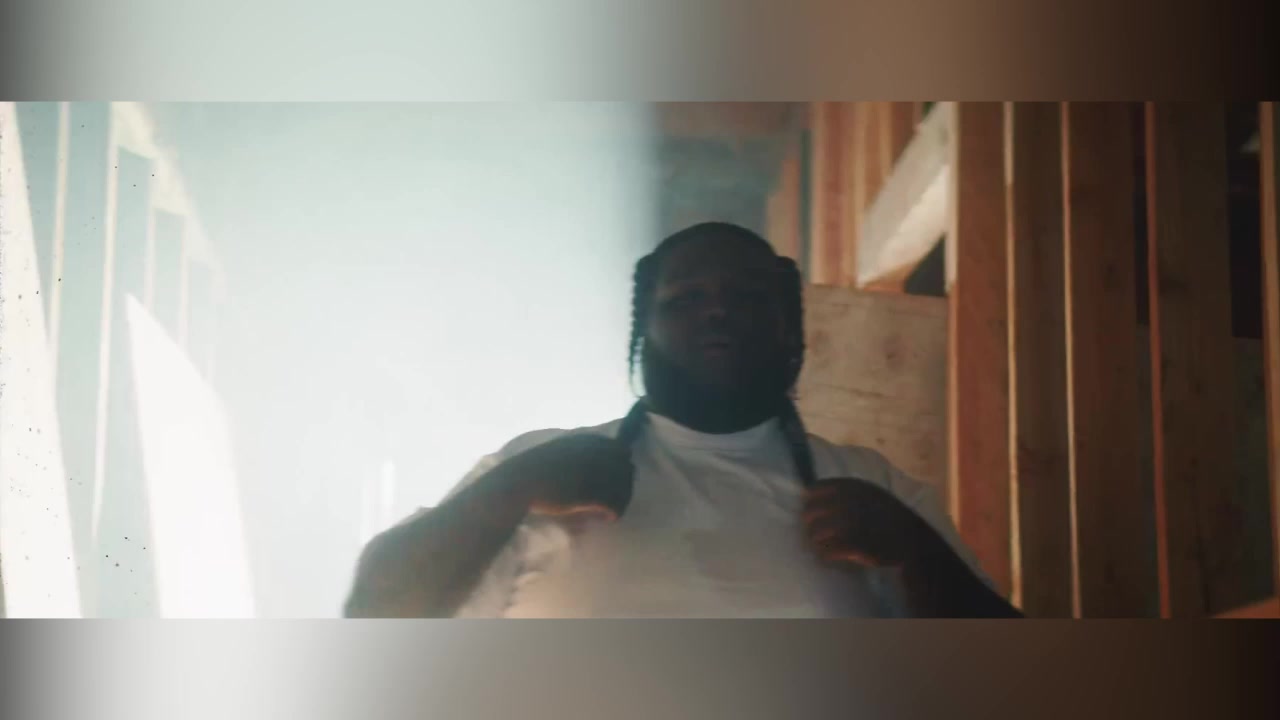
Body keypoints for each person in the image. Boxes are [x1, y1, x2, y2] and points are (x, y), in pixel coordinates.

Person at [343, 222, 1022, 618]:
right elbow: (377, 609)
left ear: (791, 328)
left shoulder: (874, 492)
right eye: (687, 298)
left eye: (746, 297)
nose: (717, 310)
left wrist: (917, 551)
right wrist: (508, 490)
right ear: (645, 332)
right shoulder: (540, 473)